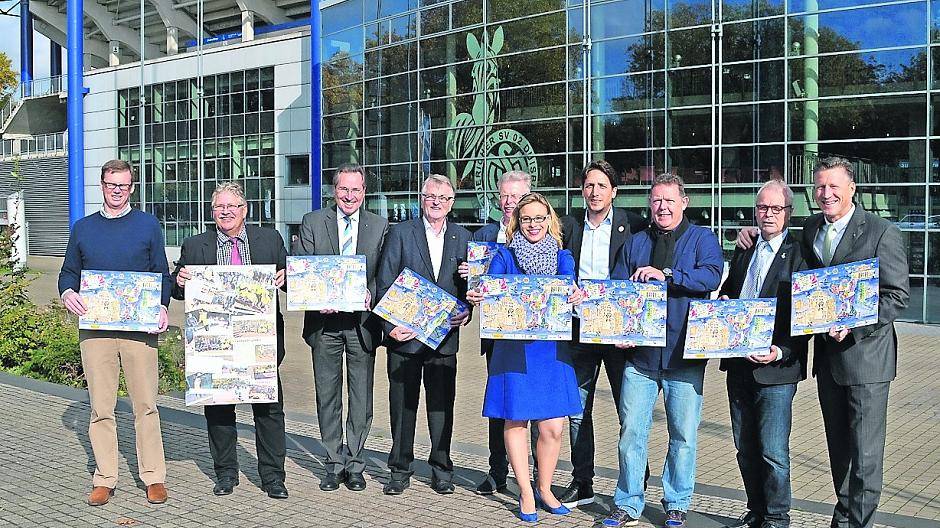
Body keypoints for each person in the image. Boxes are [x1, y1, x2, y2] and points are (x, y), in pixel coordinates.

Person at [604, 174, 723, 528]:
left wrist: (668, 275)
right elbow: (618, 289)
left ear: (684, 202)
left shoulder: (702, 238)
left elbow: (711, 276)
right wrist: (619, 331)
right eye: (656, 201)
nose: (663, 207)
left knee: (683, 436)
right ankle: (627, 502)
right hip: (640, 359)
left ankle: (676, 501)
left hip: (682, 357)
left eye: (670, 200)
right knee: (631, 433)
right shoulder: (637, 242)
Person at [58, 159, 172, 506]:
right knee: (100, 407)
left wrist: (163, 305)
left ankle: (153, 477)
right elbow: (68, 272)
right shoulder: (83, 228)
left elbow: (161, 273)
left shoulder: (148, 226)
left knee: (146, 405)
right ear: (102, 185)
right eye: (111, 184)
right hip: (97, 331)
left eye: (123, 185)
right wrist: (67, 293)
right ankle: (105, 478)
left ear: (132, 187)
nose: (117, 190)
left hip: (139, 329)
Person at [802, 157, 908, 528]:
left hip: (866, 361)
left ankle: (857, 522)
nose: (826, 194)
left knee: (865, 457)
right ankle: (844, 515)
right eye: (820, 187)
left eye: (833, 187)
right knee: (840, 453)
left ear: (852, 190)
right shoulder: (812, 228)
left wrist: (854, 326)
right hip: (828, 361)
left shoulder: (881, 232)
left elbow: (896, 296)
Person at [467, 192, 584, 522]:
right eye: (527, 219)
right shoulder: (504, 256)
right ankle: (526, 491)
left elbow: (569, 288)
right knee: (516, 421)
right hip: (514, 352)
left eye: (540, 218)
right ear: (519, 222)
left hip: (551, 352)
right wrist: (479, 294)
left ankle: (545, 487)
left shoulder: (564, 257)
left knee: (553, 428)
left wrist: (575, 294)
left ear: (550, 221)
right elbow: (491, 288)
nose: (534, 224)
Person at [172, 182, 290, 499]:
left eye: (232, 206)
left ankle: (273, 477)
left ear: (244, 210)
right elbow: (177, 289)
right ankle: (226, 473)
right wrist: (179, 280)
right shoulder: (196, 245)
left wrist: (286, 277)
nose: (225, 212)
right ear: (212, 212)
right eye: (219, 207)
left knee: (268, 411)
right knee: (220, 410)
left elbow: (292, 281)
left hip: (259, 341)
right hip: (216, 344)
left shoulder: (269, 240)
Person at [557, 160, 648, 508]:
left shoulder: (634, 225)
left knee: (630, 411)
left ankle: (633, 483)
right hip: (580, 331)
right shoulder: (569, 225)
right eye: (589, 186)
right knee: (578, 411)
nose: (594, 192)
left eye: (601, 186)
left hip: (618, 334)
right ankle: (583, 482)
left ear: (614, 192)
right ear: (582, 190)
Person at [717, 180, 808, 528]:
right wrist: (724, 302)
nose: (767, 214)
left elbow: (806, 316)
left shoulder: (800, 255)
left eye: (775, 209)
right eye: (762, 208)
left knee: (773, 452)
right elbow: (730, 290)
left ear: (788, 212)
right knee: (744, 447)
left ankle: (776, 517)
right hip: (739, 365)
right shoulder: (745, 249)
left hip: (776, 369)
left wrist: (781, 351)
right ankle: (756, 510)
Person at [294, 164, 389, 492]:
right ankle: (334, 462)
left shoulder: (379, 226)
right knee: (328, 396)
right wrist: (317, 294)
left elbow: (385, 273)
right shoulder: (312, 222)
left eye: (356, 190)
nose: (349, 196)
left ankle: (356, 464)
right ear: (334, 191)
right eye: (343, 189)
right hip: (325, 324)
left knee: (361, 397)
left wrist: (371, 293)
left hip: (361, 324)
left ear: (364, 192)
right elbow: (303, 266)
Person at [376, 174, 472, 496]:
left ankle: (442, 469)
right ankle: (400, 469)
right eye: (431, 196)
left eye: (443, 198)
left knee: (442, 407)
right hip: (404, 338)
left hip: (444, 341)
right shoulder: (401, 233)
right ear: (422, 198)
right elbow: (385, 281)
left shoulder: (463, 237)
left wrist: (466, 312)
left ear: (452, 203)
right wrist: (390, 327)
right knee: (402, 407)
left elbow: (468, 290)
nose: (436, 202)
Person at [457, 170, 532, 495]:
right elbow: (474, 289)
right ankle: (496, 472)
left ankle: (536, 477)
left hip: (533, 339)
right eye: (504, 195)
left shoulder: (541, 234)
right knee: (499, 406)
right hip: (496, 337)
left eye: (515, 196)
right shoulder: (485, 235)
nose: (509, 202)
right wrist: (468, 281)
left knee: (533, 410)